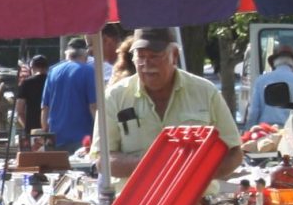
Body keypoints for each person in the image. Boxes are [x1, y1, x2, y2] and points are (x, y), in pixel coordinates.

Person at [92, 26, 242, 181]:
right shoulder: (115, 96)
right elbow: (103, 159)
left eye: (154, 56)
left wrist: (197, 175)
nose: (146, 64)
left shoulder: (205, 92)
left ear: (175, 56)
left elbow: (234, 152)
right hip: (136, 203)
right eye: (141, 57)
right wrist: (155, 166)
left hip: (196, 201)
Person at [40, 40, 98, 153]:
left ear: (68, 54)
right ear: (85, 54)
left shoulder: (53, 72)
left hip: (55, 138)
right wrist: (101, 133)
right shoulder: (89, 71)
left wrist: (45, 133)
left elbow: (45, 108)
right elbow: (93, 106)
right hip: (82, 140)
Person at [245, 44, 293, 128]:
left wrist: (249, 129)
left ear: (275, 62)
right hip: (290, 129)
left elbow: (254, 111)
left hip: (265, 129)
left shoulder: (261, 80)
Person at [14, 57, 48, 144]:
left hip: (33, 131)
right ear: (47, 67)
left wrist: (28, 127)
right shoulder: (52, 81)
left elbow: (20, 110)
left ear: (32, 67)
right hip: (51, 129)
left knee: (34, 156)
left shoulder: (26, 83)